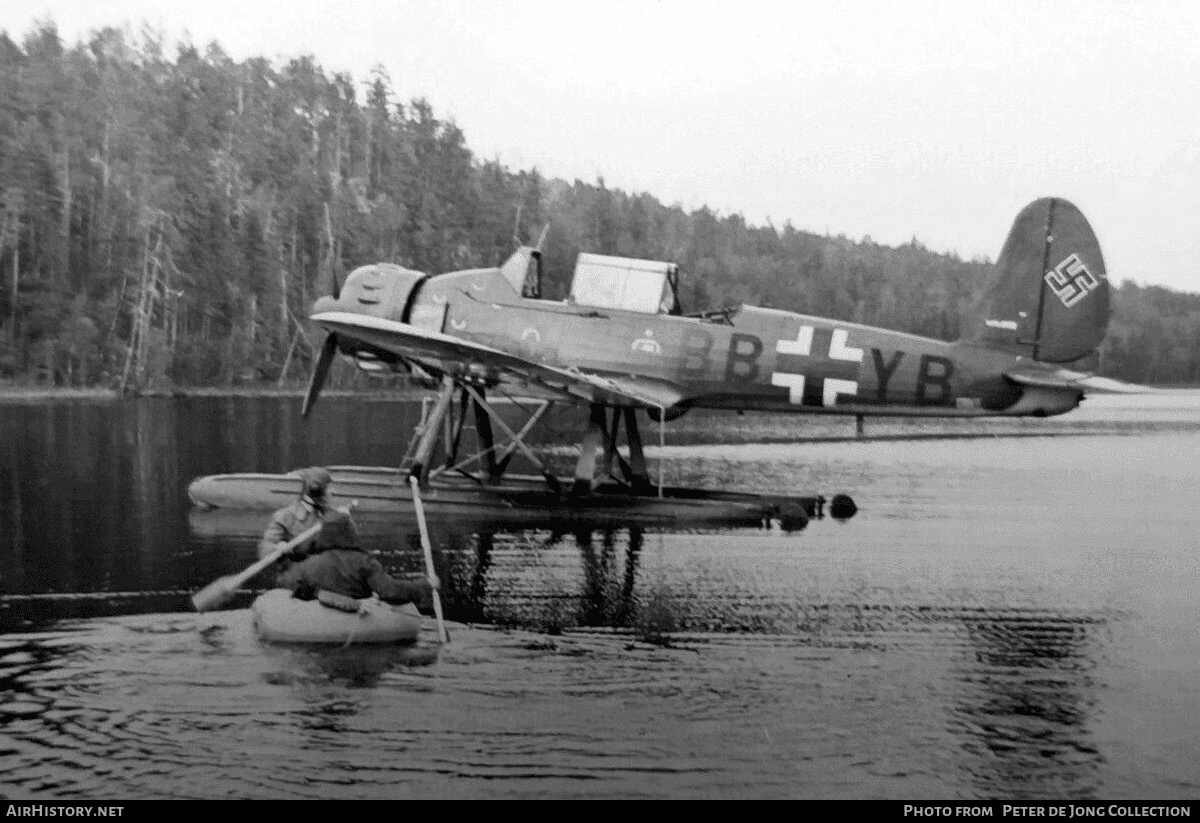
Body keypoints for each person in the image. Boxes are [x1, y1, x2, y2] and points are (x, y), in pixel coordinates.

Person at [276, 510, 438, 609]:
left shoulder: (308, 564)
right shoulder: (365, 562)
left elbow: (286, 583)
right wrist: (425, 584)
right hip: (355, 621)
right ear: (349, 533)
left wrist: (285, 559)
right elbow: (391, 592)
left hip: (319, 624)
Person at [257, 466, 336, 579]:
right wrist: (277, 547)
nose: (332, 492)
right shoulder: (284, 517)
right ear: (316, 489)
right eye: (328, 488)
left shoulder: (334, 516)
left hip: (325, 578)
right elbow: (264, 549)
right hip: (294, 578)